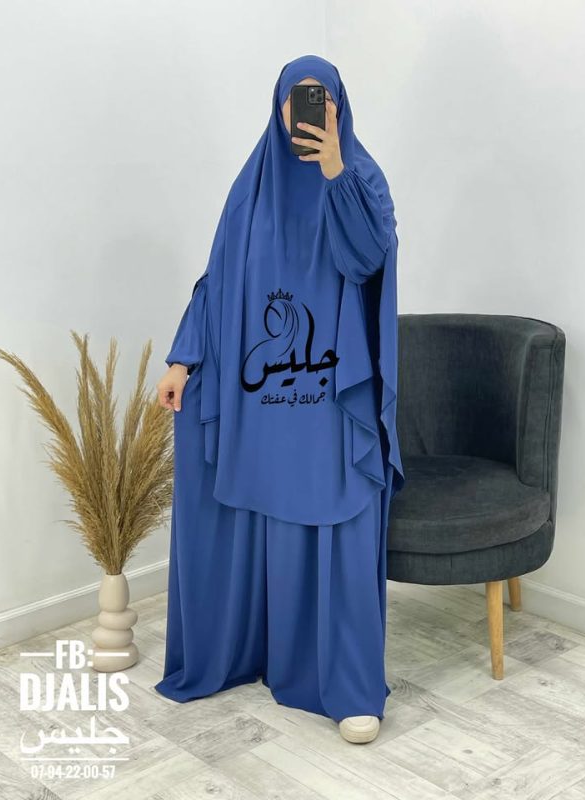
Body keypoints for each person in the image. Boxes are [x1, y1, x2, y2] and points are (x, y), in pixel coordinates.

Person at [154, 54, 405, 744]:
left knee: (338, 505)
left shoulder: (362, 177)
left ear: (339, 107)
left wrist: (335, 172)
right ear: (278, 108)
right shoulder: (252, 187)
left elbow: (367, 259)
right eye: (297, 99)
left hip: (332, 391)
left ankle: (346, 682)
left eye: (321, 99)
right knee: (247, 496)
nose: (309, 111)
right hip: (260, 389)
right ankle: (244, 653)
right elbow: (218, 284)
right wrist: (182, 358)